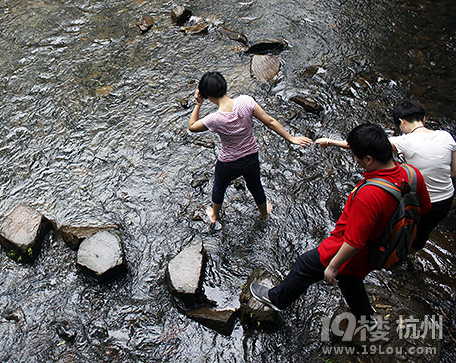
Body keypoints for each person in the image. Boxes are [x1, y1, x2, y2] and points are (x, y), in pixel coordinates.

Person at [251, 124, 431, 324]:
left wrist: (333, 266)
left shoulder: (369, 194)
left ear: (369, 160)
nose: (355, 159)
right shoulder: (411, 174)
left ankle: (277, 299)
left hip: (349, 250)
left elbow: (354, 242)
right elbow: (425, 208)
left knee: (305, 265)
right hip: (380, 245)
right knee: (351, 282)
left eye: (357, 156)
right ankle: (366, 320)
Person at [316, 101, 455, 250]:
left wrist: (329, 141)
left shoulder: (405, 141)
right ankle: (415, 249)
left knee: (400, 230)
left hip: (421, 201)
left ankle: (398, 256)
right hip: (446, 198)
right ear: (424, 119)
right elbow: (453, 172)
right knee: (423, 232)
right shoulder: (446, 136)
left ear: (401, 122)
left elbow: (363, 145)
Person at [187, 71, 312, 224]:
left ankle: (214, 215)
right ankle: (264, 213)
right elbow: (270, 121)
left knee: (219, 187)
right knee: (255, 185)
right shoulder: (246, 101)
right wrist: (291, 138)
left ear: (209, 97)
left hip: (228, 162)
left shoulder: (214, 119)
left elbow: (192, 126)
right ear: (225, 86)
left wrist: (198, 104)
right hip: (251, 156)